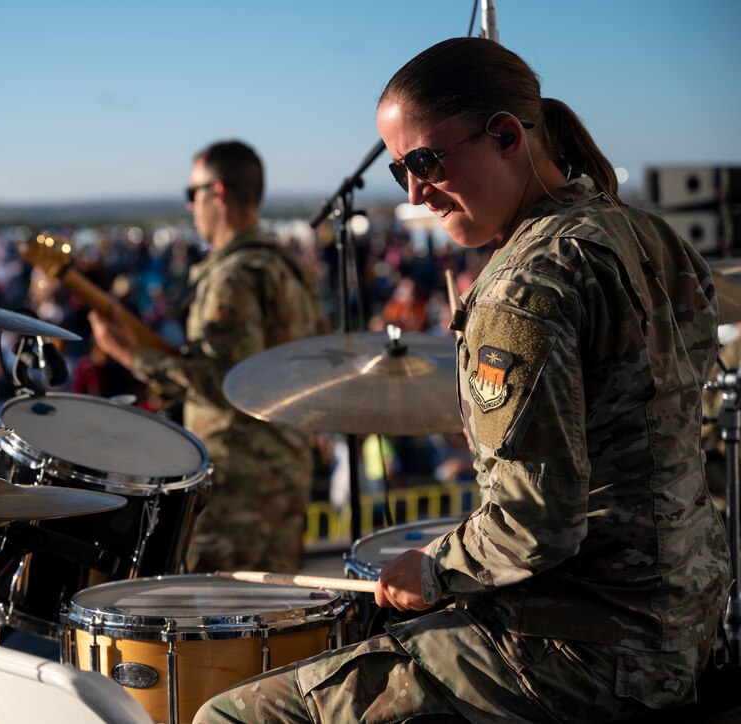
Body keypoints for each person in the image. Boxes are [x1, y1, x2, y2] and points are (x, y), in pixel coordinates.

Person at [195, 37, 730, 723]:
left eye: (425, 162)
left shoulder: (523, 286)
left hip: (584, 651)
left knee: (229, 715)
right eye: (399, 173)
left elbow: (534, 526)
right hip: (686, 622)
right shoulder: (650, 235)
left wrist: (433, 569)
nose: (416, 193)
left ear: (506, 135)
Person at [89, 139, 327, 573]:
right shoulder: (286, 268)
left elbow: (227, 383)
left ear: (217, 193)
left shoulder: (233, 278)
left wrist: (131, 355)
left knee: (221, 629)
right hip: (285, 477)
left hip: (238, 493)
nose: (190, 207)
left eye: (191, 194)